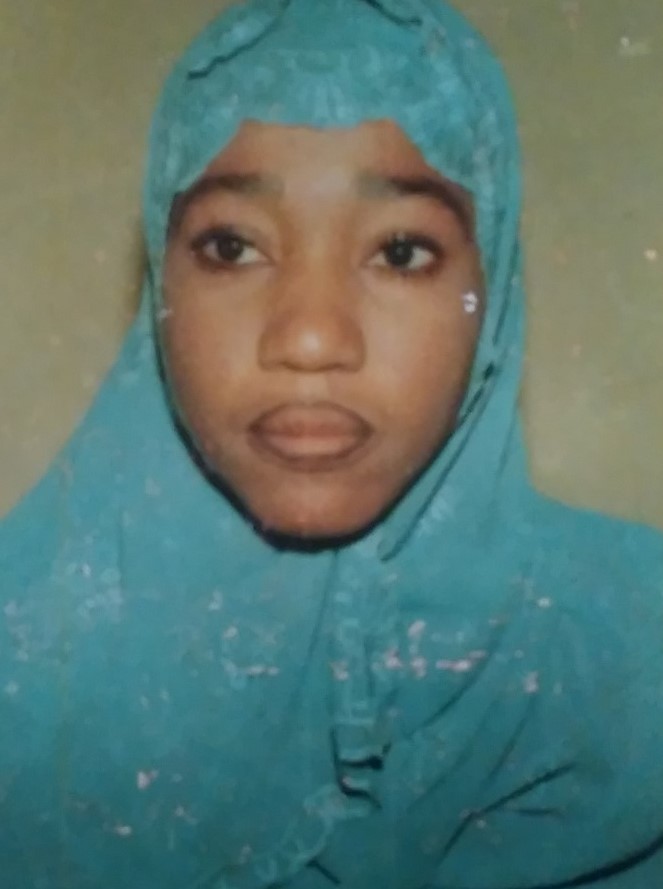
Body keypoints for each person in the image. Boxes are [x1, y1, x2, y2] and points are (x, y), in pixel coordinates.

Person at [1, 1, 662, 887]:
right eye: (231, 246)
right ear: (160, 285)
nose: (311, 338)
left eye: (400, 252)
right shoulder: (27, 665)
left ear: (491, 284)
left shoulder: (631, 669)